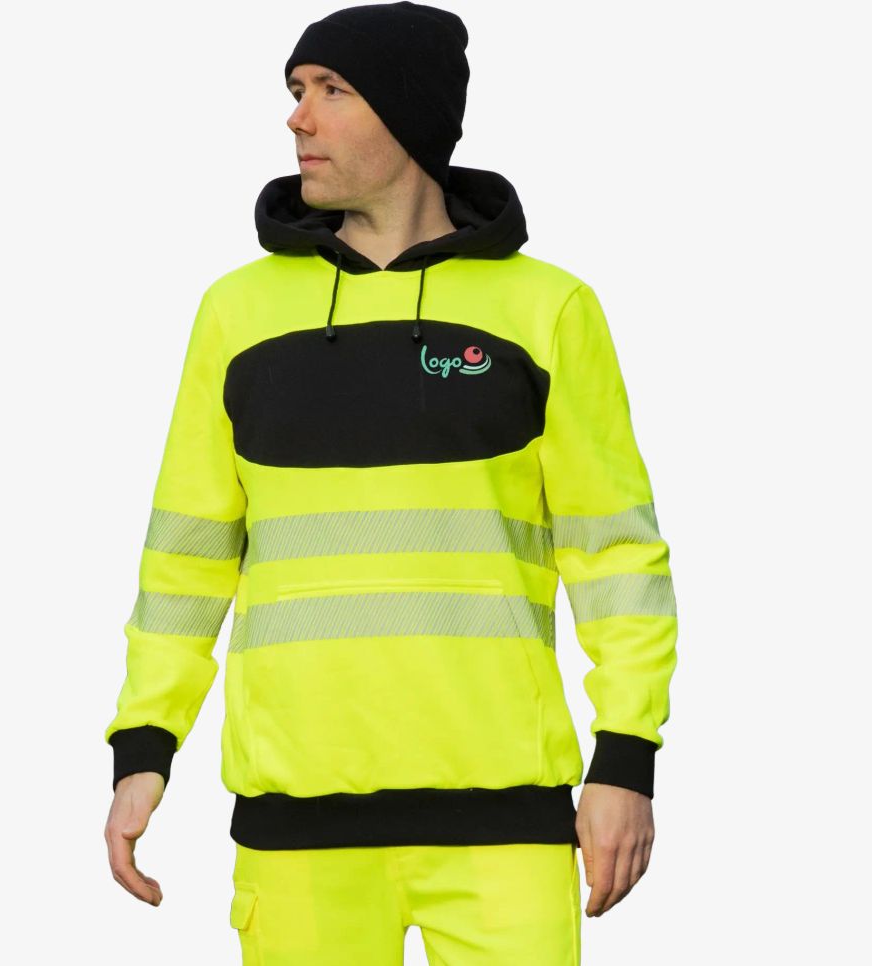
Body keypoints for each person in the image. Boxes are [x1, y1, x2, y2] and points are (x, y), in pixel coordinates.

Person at [103, 3, 678, 962]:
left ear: (409, 113)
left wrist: (626, 758)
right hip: (296, 823)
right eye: (297, 91)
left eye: (332, 90)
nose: (298, 117)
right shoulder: (237, 314)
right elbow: (186, 561)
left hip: (505, 822)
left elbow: (615, 553)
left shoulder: (547, 309)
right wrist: (144, 746)